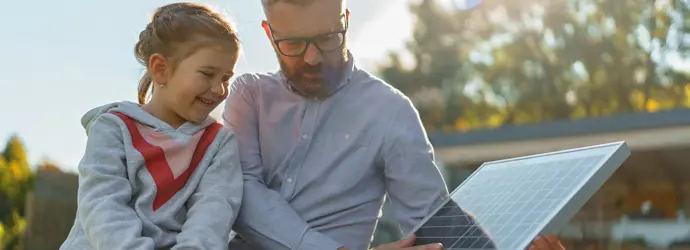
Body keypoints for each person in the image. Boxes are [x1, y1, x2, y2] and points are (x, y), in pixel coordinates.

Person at [223, 0, 566, 249]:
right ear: (269, 34)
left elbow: (432, 218)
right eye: (294, 44)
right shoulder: (249, 95)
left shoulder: (390, 111)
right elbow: (243, 193)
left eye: (328, 37)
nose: (312, 57)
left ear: (345, 19)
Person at [60, 3, 242, 249]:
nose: (219, 89)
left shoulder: (219, 144)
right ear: (161, 70)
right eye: (207, 73)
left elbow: (212, 216)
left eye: (226, 78)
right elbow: (102, 204)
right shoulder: (113, 128)